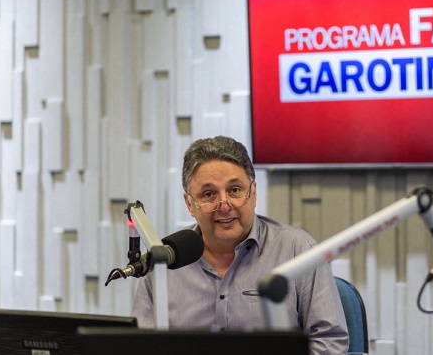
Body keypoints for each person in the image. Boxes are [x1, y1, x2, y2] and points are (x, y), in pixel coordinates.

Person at [131, 136, 349, 354]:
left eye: (234, 190)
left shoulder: (297, 250)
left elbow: (330, 341)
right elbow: (141, 347)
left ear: (253, 193)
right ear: (190, 203)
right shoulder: (163, 260)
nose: (224, 206)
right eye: (209, 194)